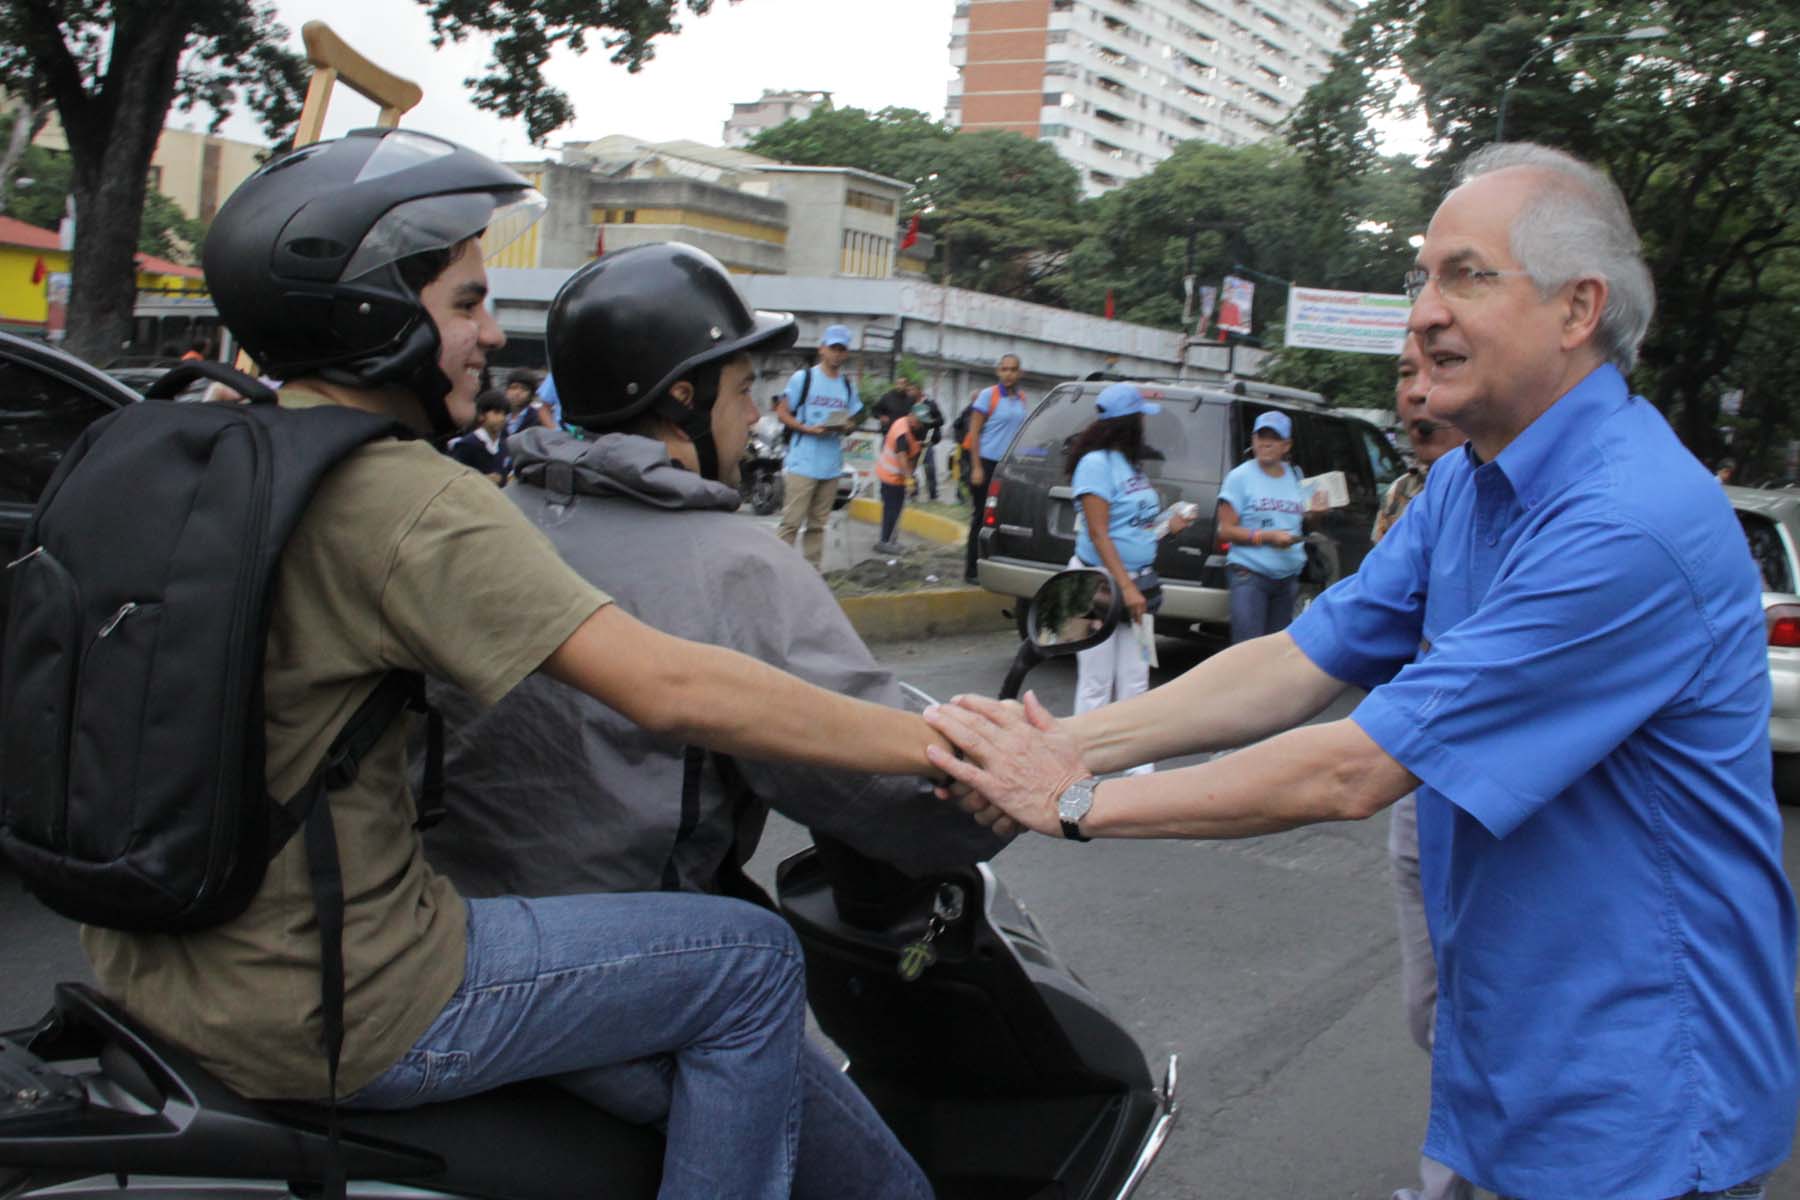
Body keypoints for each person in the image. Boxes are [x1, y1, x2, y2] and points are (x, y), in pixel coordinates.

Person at [81, 127, 955, 1200]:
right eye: (464, 305)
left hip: (155, 968)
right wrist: (967, 748)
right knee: (751, 961)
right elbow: (672, 687)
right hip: (344, 998)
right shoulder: (405, 497)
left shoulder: (215, 453)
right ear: (368, 315)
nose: (493, 335)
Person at [924, 143, 1798, 1200]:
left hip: (1643, 1087)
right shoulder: (1469, 489)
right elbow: (1298, 660)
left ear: (1579, 310)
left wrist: (1071, 800)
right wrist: (1066, 740)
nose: (1424, 312)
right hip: (1515, 1050)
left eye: (1467, 275)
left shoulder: (1629, 523)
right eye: (1420, 277)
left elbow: (1354, 769)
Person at [422, 242, 1004, 1195]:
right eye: (740, 389)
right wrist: (993, 791)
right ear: (682, 400)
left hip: (452, 939)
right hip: (631, 977)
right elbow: (862, 774)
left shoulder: (492, 515)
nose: (753, 414)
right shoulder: (734, 563)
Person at [1376, 334, 1472, 1200]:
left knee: (1482, 1020)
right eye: (1408, 370)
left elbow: (1347, 772)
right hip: (1423, 791)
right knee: (1435, 1015)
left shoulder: (1610, 514)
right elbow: (1312, 649)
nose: (1416, 394)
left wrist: (1078, 800)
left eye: (1438, 365)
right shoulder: (1436, 497)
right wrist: (1083, 750)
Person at [1065, 383, 1190, 763]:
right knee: (1095, 682)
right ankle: (1081, 764)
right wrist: (1126, 587)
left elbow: (1134, 527)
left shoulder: (1129, 464)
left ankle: (1136, 767)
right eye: (1140, 419)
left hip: (1139, 584)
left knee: (1136, 678)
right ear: (1127, 423)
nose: (1144, 427)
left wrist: (1168, 526)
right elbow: (1099, 533)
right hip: (1095, 585)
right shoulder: (1095, 465)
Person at [1215, 410, 1325, 643]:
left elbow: (1306, 520)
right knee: (1248, 650)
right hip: (1250, 576)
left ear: (1286, 445)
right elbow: (1225, 530)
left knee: (1273, 651)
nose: (1265, 443)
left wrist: (1317, 513)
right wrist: (1267, 537)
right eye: (1260, 437)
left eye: (1273, 438)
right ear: (1253, 440)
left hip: (1287, 578)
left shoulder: (1295, 475)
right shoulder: (1239, 477)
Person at [775, 323, 862, 568]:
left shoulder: (847, 385)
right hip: (803, 463)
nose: (837, 353)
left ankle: (812, 575)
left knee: (817, 526)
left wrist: (847, 426)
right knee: (791, 523)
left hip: (831, 466)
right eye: (832, 347)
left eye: (841, 349)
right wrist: (806, 428)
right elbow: (782, 412)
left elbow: (854, 418)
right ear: (822, 348)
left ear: (846, 353)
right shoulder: (804, 378)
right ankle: (778, 571)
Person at [963, 354, 1030, 583]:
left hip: (1010, 467)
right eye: (1004, 369)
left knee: (1005, 518)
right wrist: (976, 467)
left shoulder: (1021, 398)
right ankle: (971, 570)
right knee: (981, 518)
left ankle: (995, 564)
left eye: (1012, 369)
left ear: (1020, 372)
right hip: (986, 463)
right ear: (998, 372)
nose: (1008, 373)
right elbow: (974, 434)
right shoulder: (987, 396)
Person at [874, 398, 931, 553]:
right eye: (918, 421)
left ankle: (891, 541)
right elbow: (901, 456)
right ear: (911, 415)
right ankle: (885, 541)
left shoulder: (909, 426)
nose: (920, 425)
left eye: (922, 422)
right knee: (891, 510)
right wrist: (909, 479)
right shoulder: (902, 431)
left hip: (897, 477)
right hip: (890, 476)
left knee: (896, 509)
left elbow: (912, 452)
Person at [448, 388, 512, 484]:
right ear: (481, 415)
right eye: (496, 413)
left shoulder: (504, 444)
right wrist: (482, 480)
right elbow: (454, 478)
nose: (502, 418)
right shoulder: (467, 445)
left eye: (505, 414)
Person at [913, 384, 945, 501]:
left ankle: (933, 495)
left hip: (927, 441)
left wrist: (928, 422)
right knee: (912, 469)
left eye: (913, 389)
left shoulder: (930, 404)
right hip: (913, 442)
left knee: (929, 468)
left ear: (919, 390)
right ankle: (913, 494)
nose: (911, 391)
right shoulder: (910, 404)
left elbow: (941, 420)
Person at [503, 367, 555, 436]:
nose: (517, 393)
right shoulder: (501, 416)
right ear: (506, 391)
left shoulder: (538, 419)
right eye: (514, 388)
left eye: (524, 389)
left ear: (531, 394)